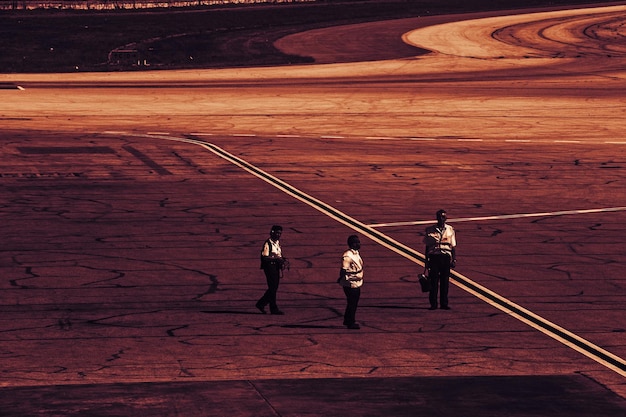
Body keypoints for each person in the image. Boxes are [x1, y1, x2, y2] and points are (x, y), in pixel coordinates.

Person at [423, 209, 457, 310]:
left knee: (445, 282)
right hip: (434, 257)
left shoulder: (450, 229)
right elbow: (427, 246)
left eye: (443, 217)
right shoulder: (430, 229)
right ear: (437, 218)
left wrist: (454, 259)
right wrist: (426, 261)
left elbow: (453, 246)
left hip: (445, 257)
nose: (442, 219)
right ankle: (433, 304)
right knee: (433, 281)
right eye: (440, 217)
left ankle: (444, 303)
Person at [256, 225, 287, 315]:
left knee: (273, 288)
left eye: (280, 233)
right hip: (269, 267)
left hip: (276, 267)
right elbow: (265, 257)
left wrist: (282, 259)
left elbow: (277, 254)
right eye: (277, 233)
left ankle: (261, 304)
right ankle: (273, 308)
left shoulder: (277, 242)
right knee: (273, 288)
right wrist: (276, 259)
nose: (278, 235)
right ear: (272, 232)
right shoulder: (268, 243)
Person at [338, 235, 364, 329]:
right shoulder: (347, 256)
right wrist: (341, 278)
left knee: (353, 302)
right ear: (351, 244)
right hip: (350, 283)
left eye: (358, 242)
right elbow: (343, 270)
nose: (358, 244)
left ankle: (347, 319)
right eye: (356, 242)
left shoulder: (356, 253)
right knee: (352, 303)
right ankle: (350, 322)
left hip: (356, 282)